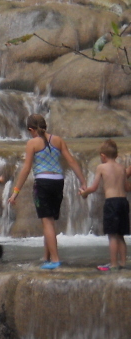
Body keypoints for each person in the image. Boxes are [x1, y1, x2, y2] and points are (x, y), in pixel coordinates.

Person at [8, 114, 87, 269]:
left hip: (43, 182)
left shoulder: (32, 143)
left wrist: (15, 191)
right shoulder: (58, 140)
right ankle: (46, 256)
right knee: (49, 221)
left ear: (31, 129)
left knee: (47, 222)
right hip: (58, 181)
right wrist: (83, 182)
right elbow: (71, 161)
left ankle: (55, 259)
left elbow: (26, 169)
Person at [79, 139, 130, 271]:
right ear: (117, 155)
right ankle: (123, 263)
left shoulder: (101, 167)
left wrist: (85, 193)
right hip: (123, 202)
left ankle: (113, 264)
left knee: (112, 235)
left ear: (103, 156)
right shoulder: (122, 168)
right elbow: (127, 187)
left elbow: (94, 187)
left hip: (111, 202)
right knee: (120, 235)